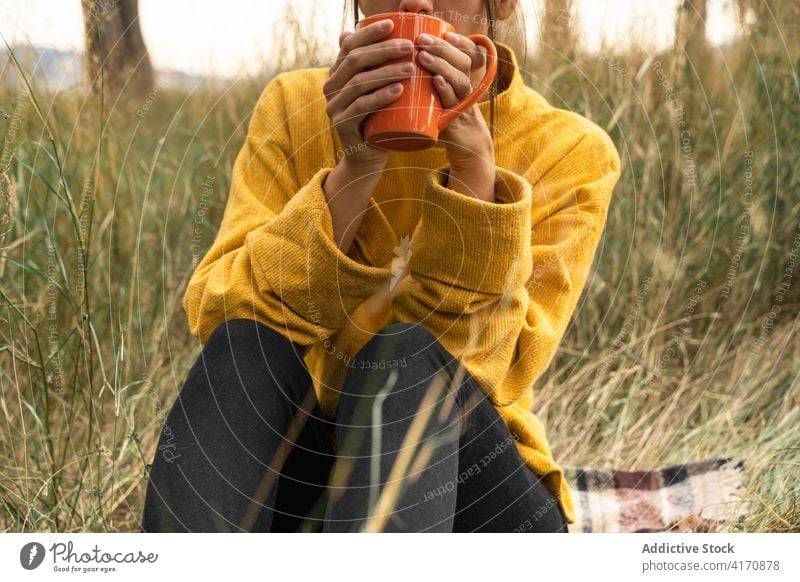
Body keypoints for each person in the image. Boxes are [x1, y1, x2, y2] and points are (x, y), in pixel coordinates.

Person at [140, 0, 621, 533]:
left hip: (479, 493)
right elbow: (223, 314)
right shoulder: (295, 107)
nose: (415, 3)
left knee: (406, 355)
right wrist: (357, 166)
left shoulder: (570, 151)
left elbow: (499, 372)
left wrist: (476, 178)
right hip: (314, 480)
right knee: (242, 344)